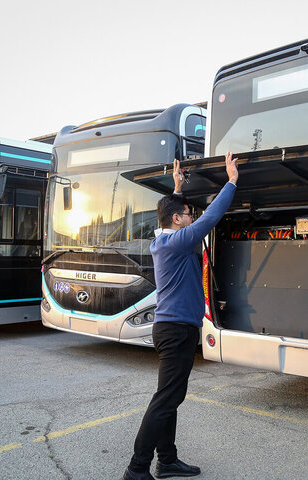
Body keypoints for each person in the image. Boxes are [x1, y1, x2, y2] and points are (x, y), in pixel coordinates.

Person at [123, 152, 239, 480]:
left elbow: (180, 216)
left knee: (170, 398)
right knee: (165, 400)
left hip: (172, 328)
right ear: (177, 221)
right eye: (187, 214)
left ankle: (167, 461)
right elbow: (209, 220)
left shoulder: (165, 240)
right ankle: (137, 468)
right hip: (176, 331)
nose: (191, 218)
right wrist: (231, 183)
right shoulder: (178, 242)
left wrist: (176, 190)